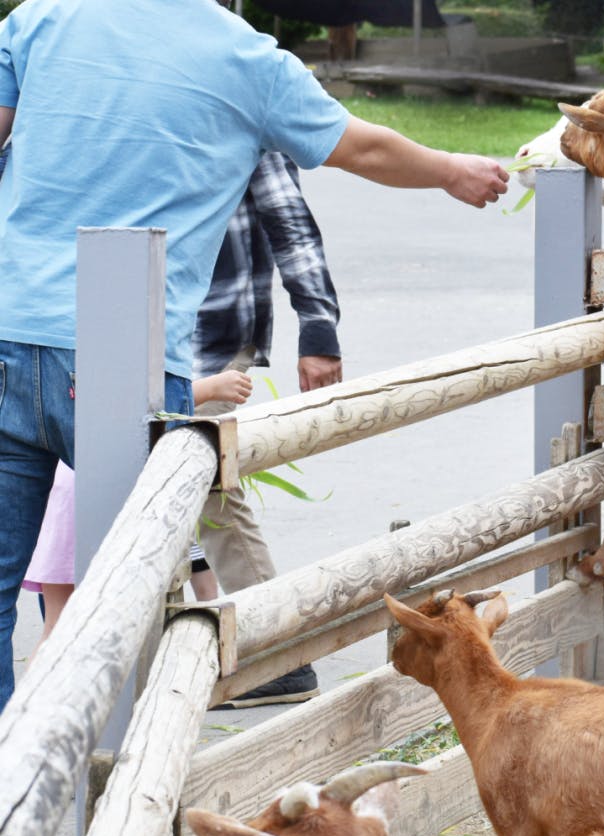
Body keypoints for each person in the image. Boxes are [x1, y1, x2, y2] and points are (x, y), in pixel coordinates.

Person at [0, 0, 508, 713]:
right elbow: (361, 147)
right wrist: (451, 169)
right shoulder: (243, 56)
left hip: (10, 325)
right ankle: (114, 767)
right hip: (129, 358)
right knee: (132, 595)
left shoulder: (42, 18)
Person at [196, 150, 343, 708]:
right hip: (142, 323)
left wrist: (319, 327)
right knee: (173, 490)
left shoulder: (233, 100)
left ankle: (277, 652)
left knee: (208, 488)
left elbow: (289, 220)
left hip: (208, 333)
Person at [19, 369, 253, 644]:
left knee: (57, 627)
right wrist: (210, 388)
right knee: (100, 627)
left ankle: (44, 675)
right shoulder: (105, 365)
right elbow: (134, 409)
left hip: (63, 494)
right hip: (86, 497)